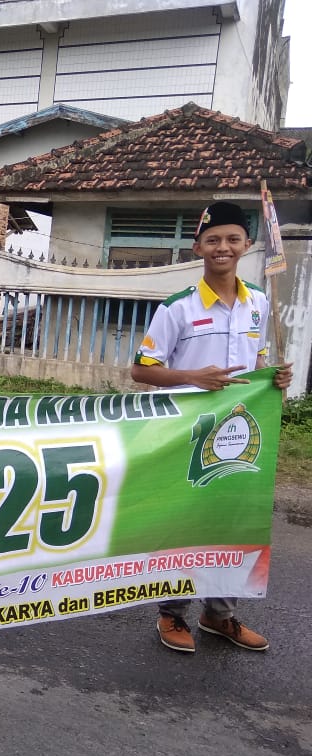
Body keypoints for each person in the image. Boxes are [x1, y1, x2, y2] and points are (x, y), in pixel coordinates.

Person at [132, 200, 293, 653]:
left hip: (243, 435)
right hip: (187, 435)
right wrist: (192, 377)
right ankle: (172, 613)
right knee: (184, 524)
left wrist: (275, 378)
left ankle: (219, 614)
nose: (223, 247)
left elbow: (258, 362)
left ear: (246, 245)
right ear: (199, 246)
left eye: (232, 239)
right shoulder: (176, 309)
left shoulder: (259, 302)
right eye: (213, 239)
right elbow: (141, 371)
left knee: (232, 522)